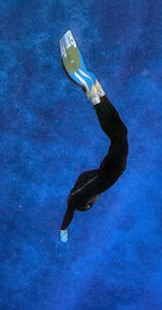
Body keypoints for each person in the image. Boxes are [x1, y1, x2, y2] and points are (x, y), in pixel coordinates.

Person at [58, 30, 128, 243]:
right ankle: (97, 92)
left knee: (117, 132)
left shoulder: (91, 188)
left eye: (92, 204)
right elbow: (81, 179)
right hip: (110, 162)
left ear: (87, 201)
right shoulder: (90, 180)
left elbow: (71, 204)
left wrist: (64, 229)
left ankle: (93, 93)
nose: (97, 200)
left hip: (114, 164)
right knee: (118, 131)